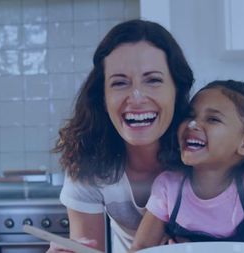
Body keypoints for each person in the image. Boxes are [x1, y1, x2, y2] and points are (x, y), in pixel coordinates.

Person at [48, 19, 195, 253]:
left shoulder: (204, 152)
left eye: (153, 80)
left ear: (177, 90)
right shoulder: (89, 162)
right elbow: (88, 247)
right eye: (119, 83)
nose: (136, 97)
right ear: (103, 98)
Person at [130, 80, 244, 253]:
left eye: (213, 119)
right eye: (190, 116)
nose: (193, 124)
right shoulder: (168, 185)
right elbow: (142, 248)